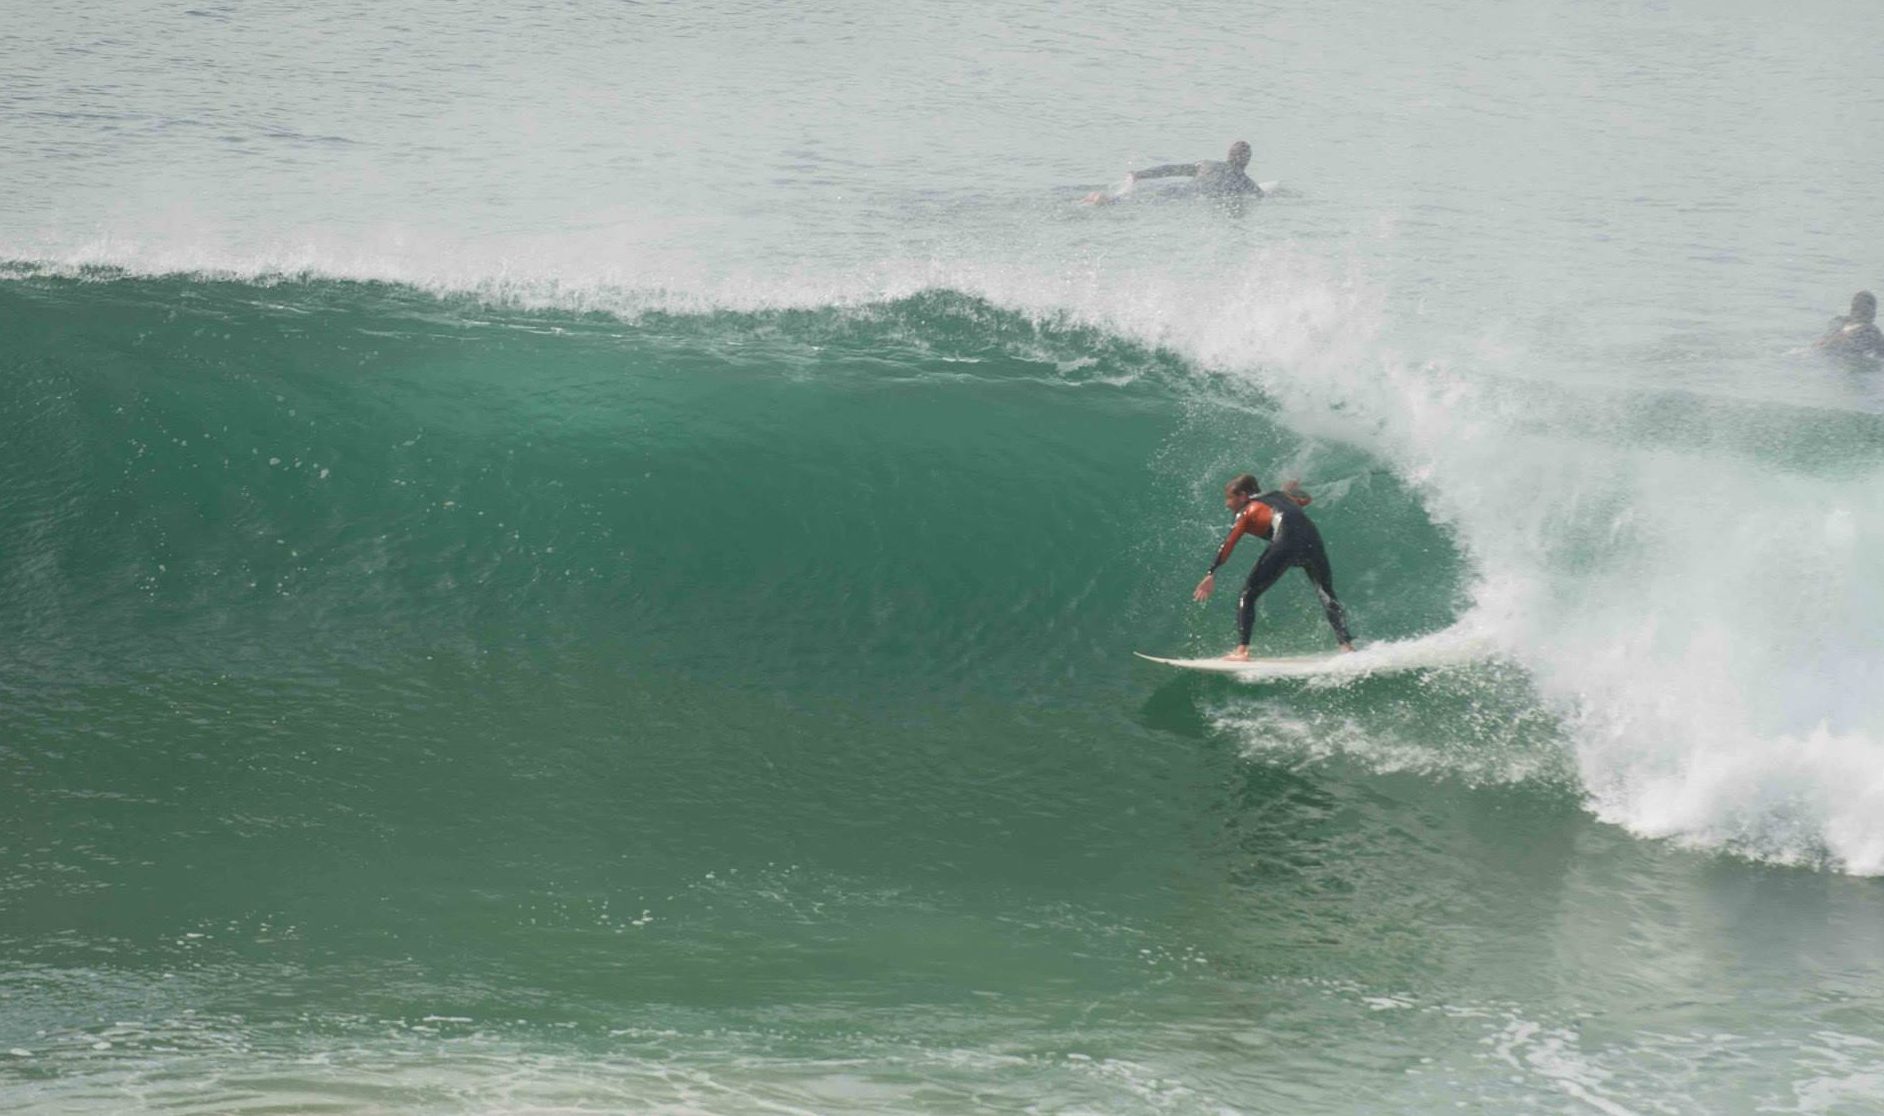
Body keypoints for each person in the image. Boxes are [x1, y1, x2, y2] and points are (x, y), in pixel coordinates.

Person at [1192, 473, 1354, 659]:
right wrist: (1292, 489)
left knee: (1248, 594)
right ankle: (1346, 646)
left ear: (1243, 495)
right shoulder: (1282, 495)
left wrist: (1211, 572)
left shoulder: (1247, 510)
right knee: (1325, 592)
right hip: (1313, 541)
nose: (1227, 504)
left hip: (1288, 541)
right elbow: (1306, 499)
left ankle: (1242, 650)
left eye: (1229, 498)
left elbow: (1229, 542)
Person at [1083, 141, 1262, 204]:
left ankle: (1102, 198)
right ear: (1247, 161)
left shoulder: (1206, 165)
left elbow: (1172, 169)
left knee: (1133, 199)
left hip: (1175, 189)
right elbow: (1260, 197)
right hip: (1189, 199)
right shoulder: (1246, 183)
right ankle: (1105, 200)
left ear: (1228, 154)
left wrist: (1140, 174)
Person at [1817, 291, 1884, 360]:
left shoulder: (1839, 322)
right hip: (1845, 360)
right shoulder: (1872, 332)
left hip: (1825, 356)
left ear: (1852, 308)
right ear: (1872, 312)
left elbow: (1822, 343)